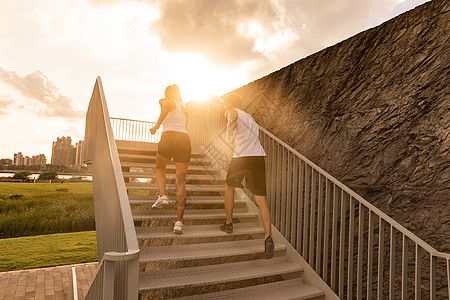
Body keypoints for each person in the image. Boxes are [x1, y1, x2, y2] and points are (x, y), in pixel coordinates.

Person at [220, 93, 274, 259]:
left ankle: (229, 223)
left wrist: (228, 132)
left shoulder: (231, 111)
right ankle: (268, 236)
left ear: (230, 104)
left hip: (241, 158)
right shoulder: (250, 117)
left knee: (229, 187)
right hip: (258, 158)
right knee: (260, 198)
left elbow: (233, 119)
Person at [150, 84, 191, 234]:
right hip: (184, 139)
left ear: (167, 93)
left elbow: (165, 106)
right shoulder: (185, 109)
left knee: (160, 168)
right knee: (180, 181)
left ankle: (163, 196)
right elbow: (185, 126)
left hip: (169, 137)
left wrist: (156, 126)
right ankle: (179, 222)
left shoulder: (166, 100)